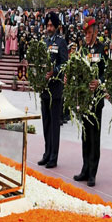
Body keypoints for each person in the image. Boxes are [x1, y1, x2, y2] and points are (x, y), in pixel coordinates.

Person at [73, 17, 106, 186]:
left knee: (94, 136)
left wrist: (99, 82)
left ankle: (93, 172)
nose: (86, 36)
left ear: (95, 32)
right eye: (85, 33)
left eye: (89, 33)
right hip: (84, 99)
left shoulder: (102, 48)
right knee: (85, 135)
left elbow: (106, 71)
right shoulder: (81, 49)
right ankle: (85, 169)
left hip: (97, 99)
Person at [38, 12, 68, 169]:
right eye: (47, 25)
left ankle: (53, 157)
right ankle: (46, 153)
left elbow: (64, 64)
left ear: (56, 27)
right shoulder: (43, 42)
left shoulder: (61, 42)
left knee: (54, 125)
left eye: (51, 25)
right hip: (44, 89)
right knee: (46, 123)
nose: (49, 28)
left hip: (55, 90)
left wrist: (54, 72)